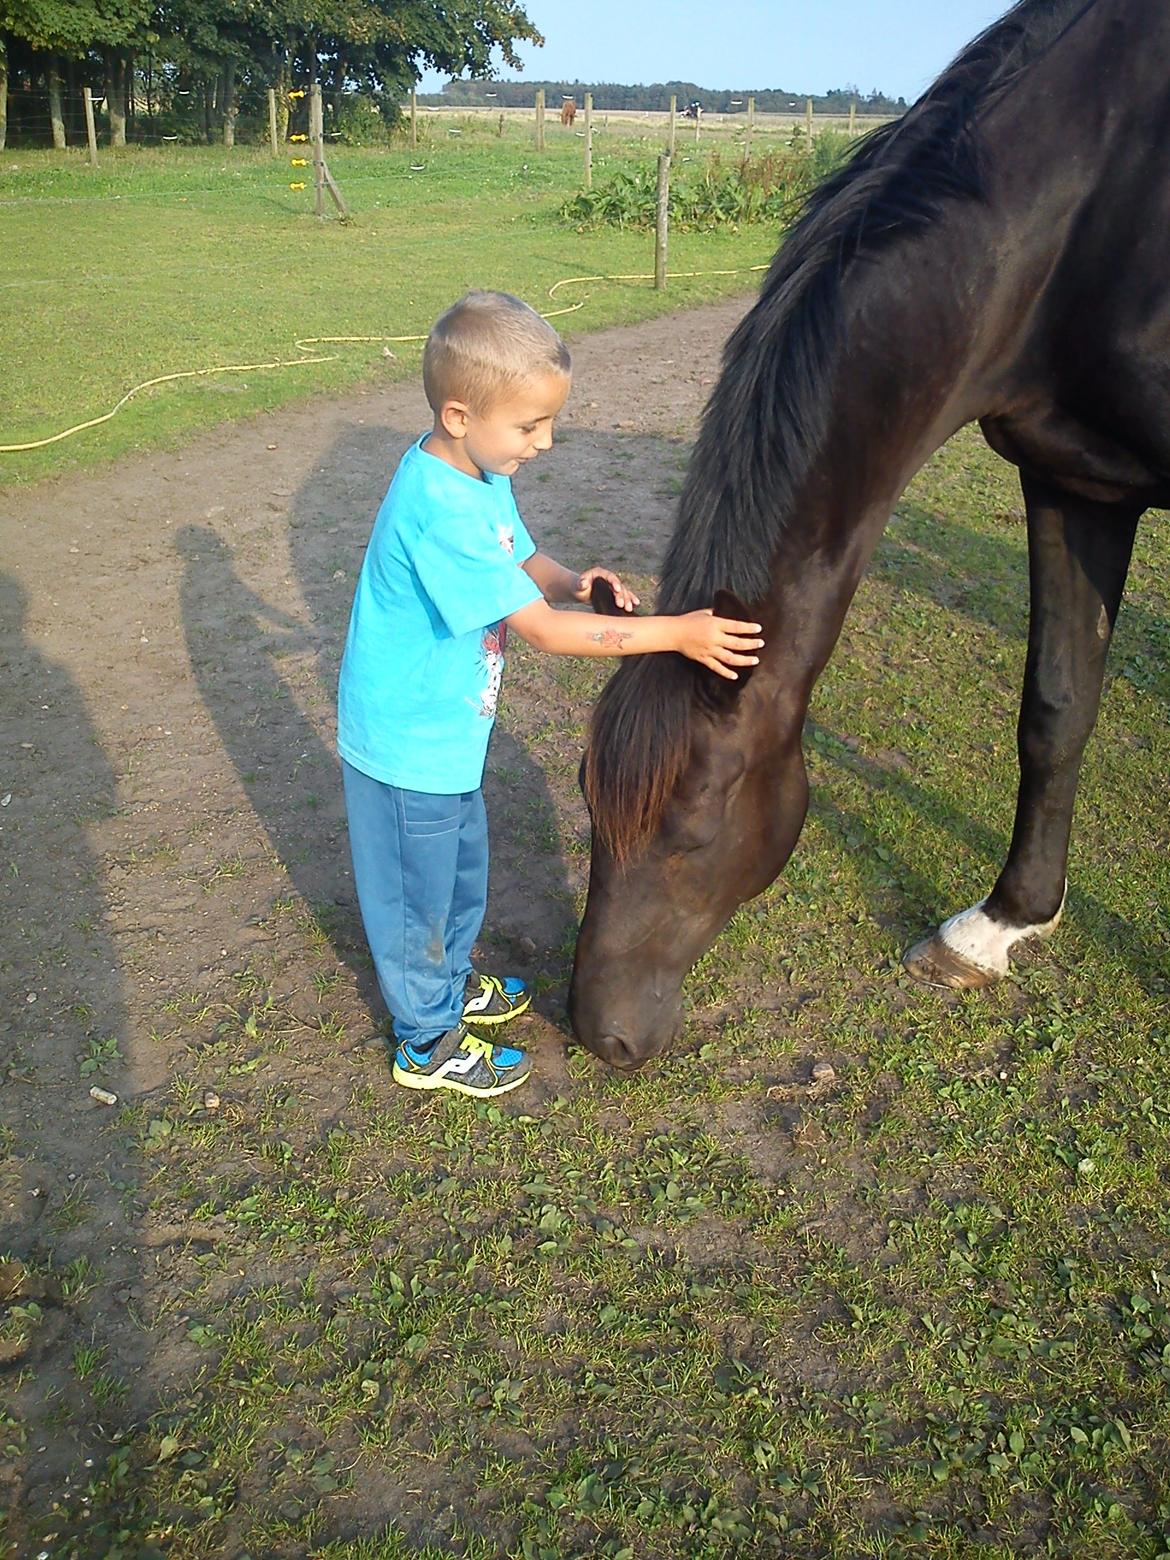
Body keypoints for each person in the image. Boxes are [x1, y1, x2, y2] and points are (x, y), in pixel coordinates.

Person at [337, 290, 763, 1097]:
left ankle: (453, 984)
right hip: (404, 746)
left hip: (447, 737)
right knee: (417, 897)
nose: (546, 442)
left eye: (548, 424)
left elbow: (519, 558)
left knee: (462, 873)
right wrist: (676, 633)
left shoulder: (476, 470)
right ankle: (425, 1040)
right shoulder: (438, 509)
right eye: (530, 427)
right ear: (460, 415)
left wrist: (574, 579)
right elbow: (542, 631)